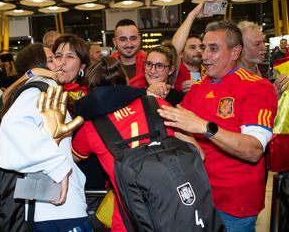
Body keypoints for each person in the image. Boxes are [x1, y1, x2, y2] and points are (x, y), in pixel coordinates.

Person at [157, 21, 278, 232]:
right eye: (204, 48)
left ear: (235, 52)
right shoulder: (198, 90)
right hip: (197, 196)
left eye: (214, 49)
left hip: (234, 204)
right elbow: (179, 128)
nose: (204, 55)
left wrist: (204, 127)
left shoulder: (257, 87)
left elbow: (253, 150)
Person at [71, 56, 204, 232]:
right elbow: (199, 155)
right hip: (173, 213)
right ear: (126, 81)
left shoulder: (90, 127)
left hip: (128, 220)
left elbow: (72, 156)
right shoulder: (157, 103)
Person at [0, 43, 92, 232]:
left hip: (49, 204)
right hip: (59, 208)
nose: (60, 63)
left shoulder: (40, 88)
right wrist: (57, 168)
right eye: (52, 59)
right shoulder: (42, 87)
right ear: (37, 66)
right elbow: (13, 126)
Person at [237, 21, 289, 96]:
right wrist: (272, 95)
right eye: (257, 44)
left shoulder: (253, 67)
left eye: (263, 42)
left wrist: (272, 93)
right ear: (240, 48)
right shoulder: (233, 77)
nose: (264, 48)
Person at [52, 34, 90, 116]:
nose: (62, 62)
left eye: (70, 57)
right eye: (58, 56)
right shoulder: (44, 90)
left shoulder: (91, 96)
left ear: (82, 66)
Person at [112, 19, 147, 89]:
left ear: (139, 39)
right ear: (115, 42)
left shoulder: (151, 64)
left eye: (133, 39)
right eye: (123, 39)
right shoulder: (106, 67)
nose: (129, 44)